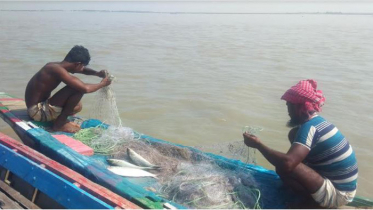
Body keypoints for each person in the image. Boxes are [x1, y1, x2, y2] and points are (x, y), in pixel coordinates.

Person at [243, 79, 358, 208]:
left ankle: (310, 202)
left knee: (284, 166)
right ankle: (311, 194)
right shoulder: (318, 122)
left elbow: (288, 164)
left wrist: (258, 145)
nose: (287, 111)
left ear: (299, 107)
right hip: (344, 189)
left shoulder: (310, 128)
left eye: (289, 105)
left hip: (338, 194)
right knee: (293, 135)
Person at [25, 45, 112, 133]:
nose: (82, 69)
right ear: (77, 64)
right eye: (82, 65)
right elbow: (85, 89)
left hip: (36, 108)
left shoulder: (55, 66)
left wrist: (96, 73)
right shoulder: (56, 70)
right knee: (77, 89)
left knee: (77, 106)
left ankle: (58, 119)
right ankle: (59, 124)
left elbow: (82, 70)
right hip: (37, 112)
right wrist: (103, 84)